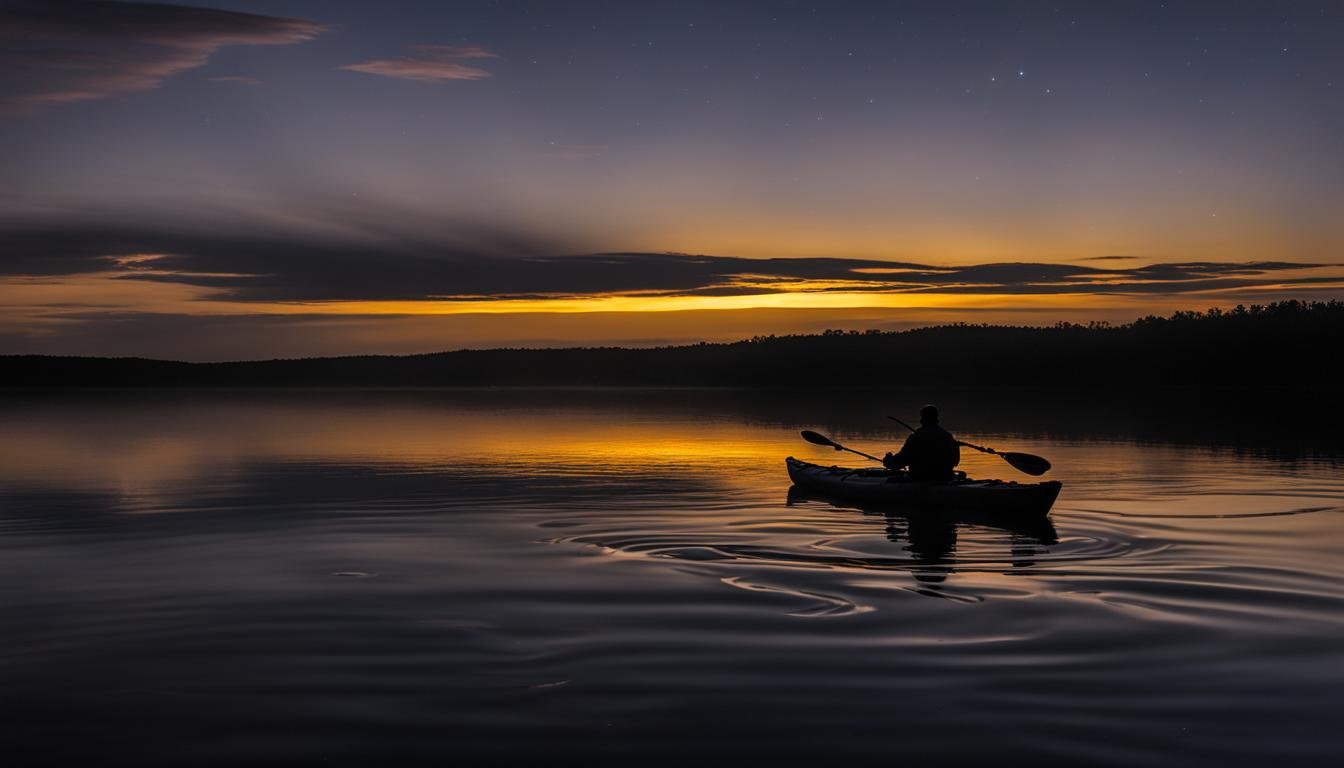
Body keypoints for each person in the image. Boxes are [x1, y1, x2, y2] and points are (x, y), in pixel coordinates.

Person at [884, 404, 960, 481]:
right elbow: (955, 461)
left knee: (889, 480)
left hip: (920, 477)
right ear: (936, 418)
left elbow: (902, 460)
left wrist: (889, 461)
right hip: (945, 477)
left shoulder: (916, 437)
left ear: (922, 418)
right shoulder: (947, 436)